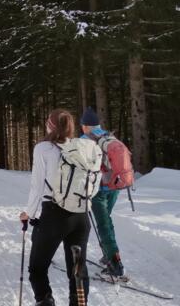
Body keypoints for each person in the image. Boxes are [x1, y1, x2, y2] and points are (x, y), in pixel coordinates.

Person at [20, 109, 103, 306]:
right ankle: (79, 303)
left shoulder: (43, 148)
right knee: (77, 270)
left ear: (51, 125)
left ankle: (45, 301)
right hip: (81, 215)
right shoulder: (82, 147)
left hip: (54, 214)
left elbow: (37, 185)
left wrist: (28, 213)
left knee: (37, 267)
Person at [80, 107, 126, 278]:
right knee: (107, 219)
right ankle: (108, 254)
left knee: (103, 224)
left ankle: (115, 263)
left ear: (84, 126)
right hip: (114, 186)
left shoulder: (85, 140)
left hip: (98, 189)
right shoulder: (109, 136)